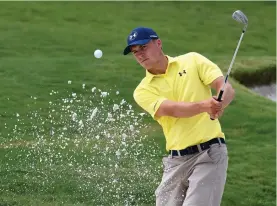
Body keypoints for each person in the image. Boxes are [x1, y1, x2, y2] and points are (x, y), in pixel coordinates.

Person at [123, 26, 235, 206]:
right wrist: (205, 106)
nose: (140, 54)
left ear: (158, 43)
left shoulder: (192, 60)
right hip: (175, 162)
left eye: (143, 47)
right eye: (135, 52)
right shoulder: (143, 90)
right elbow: (172, 109)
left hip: (209, 154)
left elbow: (225, 86)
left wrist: (221, 101)